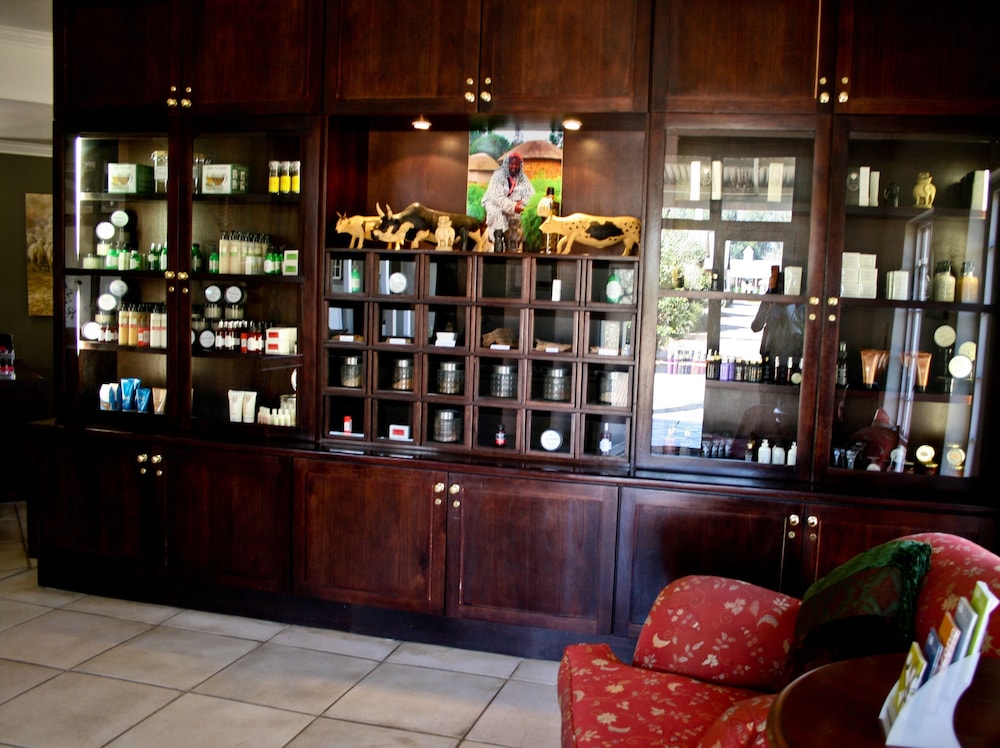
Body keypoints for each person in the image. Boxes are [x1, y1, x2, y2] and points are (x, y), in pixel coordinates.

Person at [482, 152, 534, 252]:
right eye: (512, 163)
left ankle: (514, 245)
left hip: (513, 207)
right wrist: (513, 206)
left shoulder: (523, 179)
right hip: (495, 204)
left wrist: (522, 204)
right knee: (496, 212)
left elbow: (531, 196)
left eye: (517, 164)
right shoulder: (498, 176)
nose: (514, 166)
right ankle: (497, 244)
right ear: (507, 164)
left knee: (521, 218)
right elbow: (496, 198)